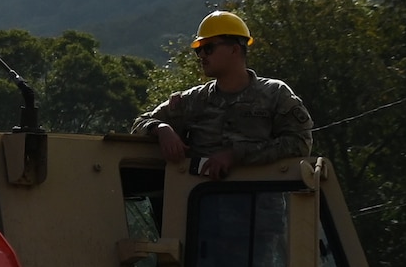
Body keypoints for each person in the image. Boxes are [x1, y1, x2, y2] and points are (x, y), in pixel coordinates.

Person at [132, 11, 312, 180]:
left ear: (234, 50)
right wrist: (162, 128)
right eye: (198, 50)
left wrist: (236, 155)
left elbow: (300, 142)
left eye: (208, 48)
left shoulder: (275, 94)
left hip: (261, 204)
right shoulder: (194, 100)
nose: (201, 55)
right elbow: (140, 124)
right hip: (202, 203)